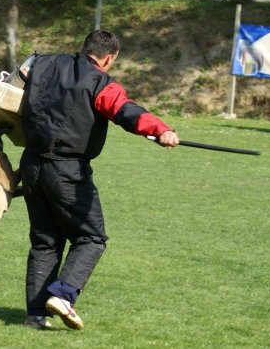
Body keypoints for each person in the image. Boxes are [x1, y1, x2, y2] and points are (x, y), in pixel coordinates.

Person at [18, 30, 179, 330]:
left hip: (31, 164)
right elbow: (124, 111)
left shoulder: (43, 63)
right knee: (90, 238)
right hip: (68, 171)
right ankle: (64, 296)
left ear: (84, 47)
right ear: (109, 58)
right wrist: (159, 130)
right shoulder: (100, 81)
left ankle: (35, 315)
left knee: (45, 241)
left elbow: (12, 86)